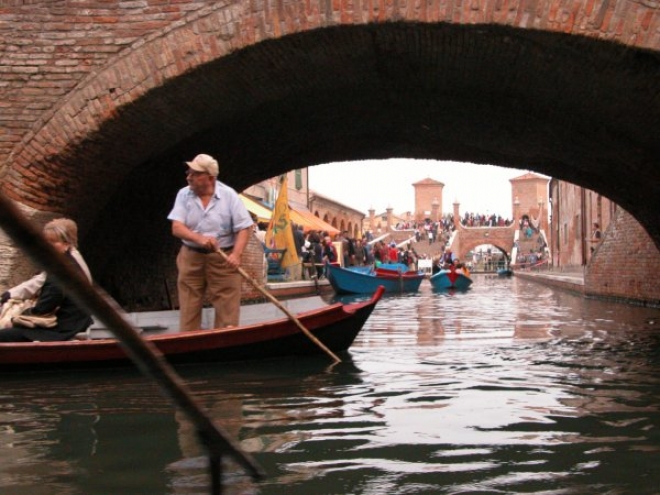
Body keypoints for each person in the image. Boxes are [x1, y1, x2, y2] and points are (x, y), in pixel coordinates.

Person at [167, 153, 254, 331]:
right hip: (191, 257)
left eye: (195, 173)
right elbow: (177, 227)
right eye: (189, 172)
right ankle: (189, 345)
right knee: (189, 309)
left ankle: (225, 344)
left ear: (210, 178)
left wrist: (236, 254)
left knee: (227, 313)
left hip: (223, 259)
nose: (188, 176)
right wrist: (200, 238)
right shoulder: (183, 195)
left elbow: (244, 227)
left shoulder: (229, 196)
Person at [0, 219, 93, 342]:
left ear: (66, 244)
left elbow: (44, 308)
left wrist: (16, 317)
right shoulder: (71, 260)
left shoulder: (61, 269)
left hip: (61, 328)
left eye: (53, 242)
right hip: (75, 322)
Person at [0, 218, 91, 306]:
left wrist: (9, 294)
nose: (48, 245)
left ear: (66, 243)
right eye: (46, 241)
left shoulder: (66, 263)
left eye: (53, 241)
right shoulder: (72, 253)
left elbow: (37, 283)